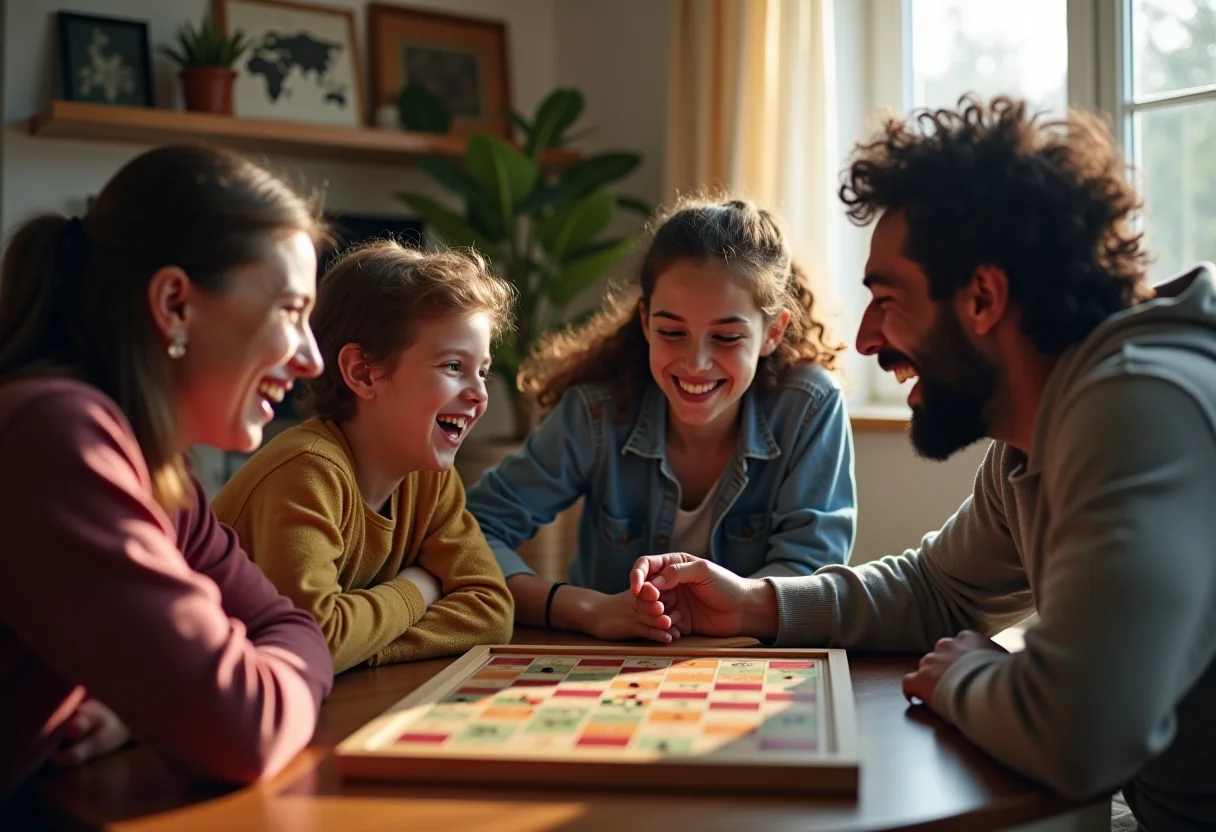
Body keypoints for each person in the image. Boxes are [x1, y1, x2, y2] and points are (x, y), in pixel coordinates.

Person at [627, 96, 1216, 830]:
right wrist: (755, 602)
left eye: (888, 298)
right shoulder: (1034, 437)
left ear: (983, 298)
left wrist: (963, 675)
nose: (867, 339)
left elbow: (1079, 734)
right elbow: (938, 591)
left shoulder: (1139, 406)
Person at [0, 145, 334, 798]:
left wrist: (138, 712)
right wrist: (220, 692)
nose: (312, 359)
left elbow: (289, 626)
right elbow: (248, 728)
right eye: (291, 312)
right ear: (176, 303)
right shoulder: (57, 435)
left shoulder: (157, 469)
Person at [466, 196, 856, 644]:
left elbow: (810, 575)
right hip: (611, 670)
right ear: (646, 322)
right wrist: (588, 609)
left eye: (727, 337)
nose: (696, 362)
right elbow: (473, 532)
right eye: (672, 332)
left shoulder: (809, 406)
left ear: (773, 333)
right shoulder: (594, 415)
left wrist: (720, 610)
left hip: (748, 667)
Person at [213, 242, 515, 674]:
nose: (479, 393)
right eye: (453, 366)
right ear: (363, 372)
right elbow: (319, 637)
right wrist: (419, 587)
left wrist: (359, 645)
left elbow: (490, 610)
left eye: (481, 370)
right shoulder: (306, 472)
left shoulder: (428, 476)